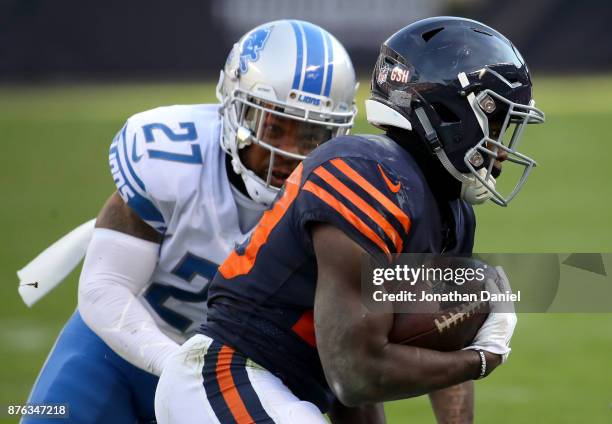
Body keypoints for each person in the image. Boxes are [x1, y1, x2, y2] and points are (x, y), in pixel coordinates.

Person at [155, 16, 544, 424]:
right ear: (450, 114)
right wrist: (479, 360)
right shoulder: (366, 174)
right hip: (225, 376)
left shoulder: (454, 215)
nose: (501, 151)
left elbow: (353, 382)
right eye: (496, 124)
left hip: (285, 391)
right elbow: (354, 374)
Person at [23, 20, 357, 424]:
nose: (286, 150)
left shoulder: (341, 201)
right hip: (121, 353)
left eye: (309, 134)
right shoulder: (171, 156)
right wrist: (182, 370)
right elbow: (104, 287)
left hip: (241, 380)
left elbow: (350, 350)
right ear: (235, 108)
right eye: (274, 125)